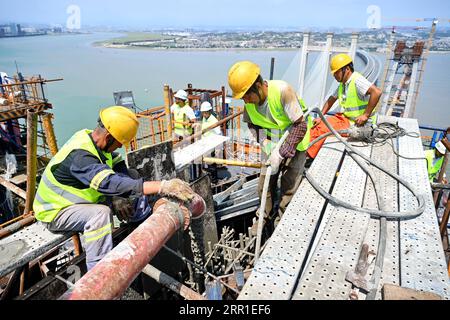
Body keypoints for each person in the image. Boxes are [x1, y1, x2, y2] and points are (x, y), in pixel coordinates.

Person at [33, 106, 196, 270]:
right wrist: (163, 186)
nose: (118, 148)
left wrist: (117, 196)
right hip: (55, 212)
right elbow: (109, 183)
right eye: (118, 144)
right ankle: (98, 272)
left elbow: (117, 163)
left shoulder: (93, 139)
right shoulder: (81, 157)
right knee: (100, 215)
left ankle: (140, 221)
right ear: (109, 137)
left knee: (130, 175)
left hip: (80, 200)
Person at [228, 60, 312, 227]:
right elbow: (252, 125)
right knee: (264, 187)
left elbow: (300, 125)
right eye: (242, 97)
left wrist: (281, 153)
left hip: (296, 143)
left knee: (289, 186)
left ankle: (283, 223)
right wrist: (265, 143)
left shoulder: (283, 91)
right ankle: (263, 220)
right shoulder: (249, 103)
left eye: (247, 95)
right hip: (272, 145)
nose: (246, 101)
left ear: (259, 85)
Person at [308, 53, 382, 158]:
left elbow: (377, 92)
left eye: (336, 73)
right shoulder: (343, 84)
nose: (334, 76)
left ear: (346, 69)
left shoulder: (357, 80)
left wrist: (365, 115)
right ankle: (306, 150)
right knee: (317, 125)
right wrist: (321, 117)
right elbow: (331, 100)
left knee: (323, 129)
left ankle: (308, 156)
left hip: (357, 124)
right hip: (346, 119)